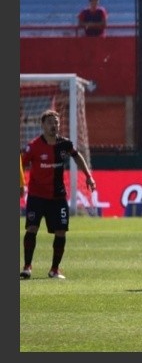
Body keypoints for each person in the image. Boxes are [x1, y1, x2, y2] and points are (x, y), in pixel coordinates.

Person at [20, 109, 96, 280]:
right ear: (42, 125)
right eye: (50, 123)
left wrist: (88, 176)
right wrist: (21, 184)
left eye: (56, 122)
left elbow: (77, 156)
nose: (54, 125)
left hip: (58, 197)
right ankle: (27, 267)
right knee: (32, 228)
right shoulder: (33, 146)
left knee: (61, 231)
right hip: (37, 196)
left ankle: (54, 270)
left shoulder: (65, 144)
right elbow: (20, 164)